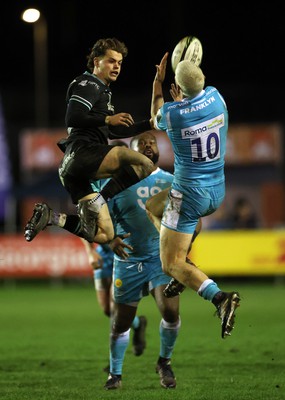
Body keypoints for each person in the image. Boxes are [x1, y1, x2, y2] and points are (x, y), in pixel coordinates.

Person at [145, 53, 240, 339]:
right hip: (217, 190)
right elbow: (197, 99)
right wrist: (185, 96)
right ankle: (186, 268)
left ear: (179, 86)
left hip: (187, 195)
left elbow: (155, 116)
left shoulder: (173, 114)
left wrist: (158, 85)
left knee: (170, 264)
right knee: (153, 206)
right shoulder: (217, 97)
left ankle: (220, 298)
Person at [24, 37, 154, 245]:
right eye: (111, 61)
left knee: (105, 234)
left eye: (120, 63)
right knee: (144, 163)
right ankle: (103, 197)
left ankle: (51, 217)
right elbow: (73, 117)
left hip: (72, 168)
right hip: (83, 152)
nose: (117, 66)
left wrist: (150, 123)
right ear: (96, 61)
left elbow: (112, 132)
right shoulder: (89, 84)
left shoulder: (102, 90)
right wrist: (107, 118)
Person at [102, 131, 180, 390]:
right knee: (121, 322)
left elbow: (184, 219)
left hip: (160, 259)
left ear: (158, 150)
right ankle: (115, 374)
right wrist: (111, 240)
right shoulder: (115, 185)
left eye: (152, 143)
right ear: (130, 153)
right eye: (141, 144)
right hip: (128, 260)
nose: (148, 146)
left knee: (170, 312)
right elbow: (101, 222)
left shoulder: (172, 181)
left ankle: (164, 362)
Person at [81, 239, 147, 372]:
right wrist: (90, 251)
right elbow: (83, 226)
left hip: (124, 255)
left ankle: (114, 365)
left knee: (114, 307)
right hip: (103, 256)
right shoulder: (99, 216)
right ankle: (138, 323)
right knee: (107, 309)